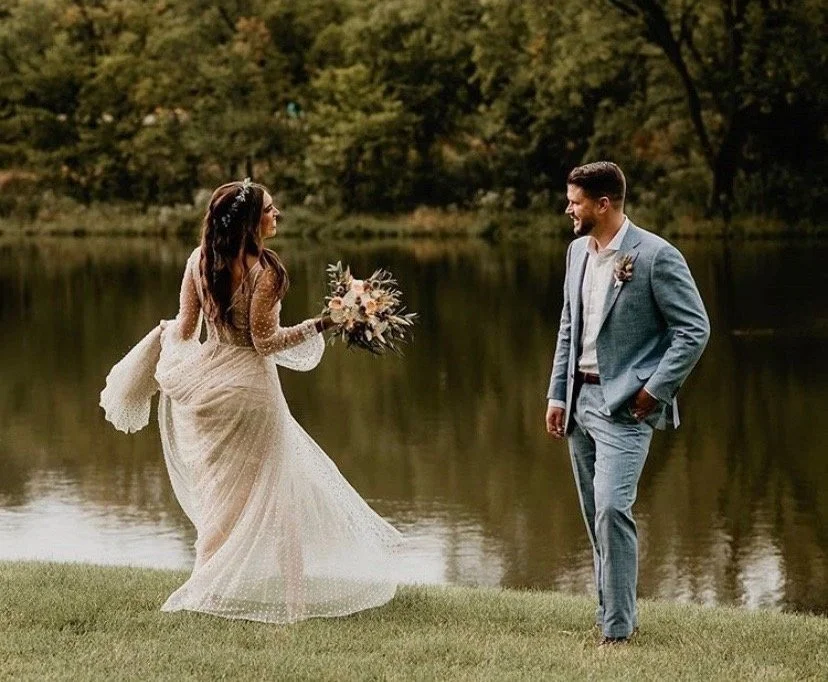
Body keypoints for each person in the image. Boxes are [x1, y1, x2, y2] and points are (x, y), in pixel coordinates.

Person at [101, 179, 402, 623]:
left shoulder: (199, 261)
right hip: (249, 393)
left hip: (207, 391)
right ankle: (294, 603)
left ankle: (205, 592)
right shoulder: (266, 271)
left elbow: (185, 328)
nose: (277, 216)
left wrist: (164, 340)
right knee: (283, 494)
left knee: (219, 497)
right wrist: (326, 321)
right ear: (251, 221)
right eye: (271, 210)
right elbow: (265, 343)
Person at [545, 162, 710, 645]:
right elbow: (568, 327)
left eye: (575, 202)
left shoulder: (656, 256)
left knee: (613, 508)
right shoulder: (577, 252)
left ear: (604, 204)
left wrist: (654, 388)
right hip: (579, 400)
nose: (568, 209)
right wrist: (557, 394)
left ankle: (617, 632)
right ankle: (610, 613)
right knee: (594, 514)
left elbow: (694, 330)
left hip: (627, 407)